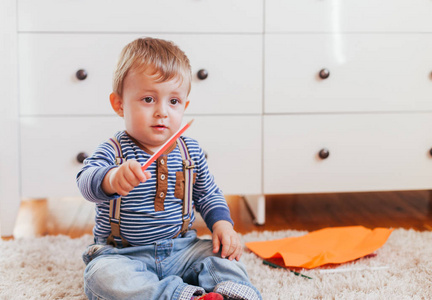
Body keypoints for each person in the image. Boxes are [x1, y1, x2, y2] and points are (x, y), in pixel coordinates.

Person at [76, 37, 262, 300]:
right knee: (102, 277)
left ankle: (232, 293)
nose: (162, 112)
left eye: (173, 102)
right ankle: (183, 296)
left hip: (182, 249)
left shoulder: (190, 151)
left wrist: (222, 225)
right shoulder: (114, 151)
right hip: (123, 254)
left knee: (222, 256)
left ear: (185, 106)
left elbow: (208, 194)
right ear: (119, 104)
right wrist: (111, 178)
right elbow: (85, 181)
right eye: (149, 99)